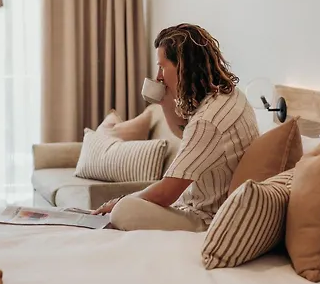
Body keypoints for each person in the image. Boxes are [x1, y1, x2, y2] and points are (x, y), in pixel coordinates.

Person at [93, 23, 259, 231]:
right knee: (129, 203)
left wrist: (121, 201)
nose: (158, 77)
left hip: (206, 219)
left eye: (162, 67)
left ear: (183, 66)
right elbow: (183, 131)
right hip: (200, 205)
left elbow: (166, 193)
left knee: (124, 209)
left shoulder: (207, 121)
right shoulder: (228, 96)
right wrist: (164, 100)